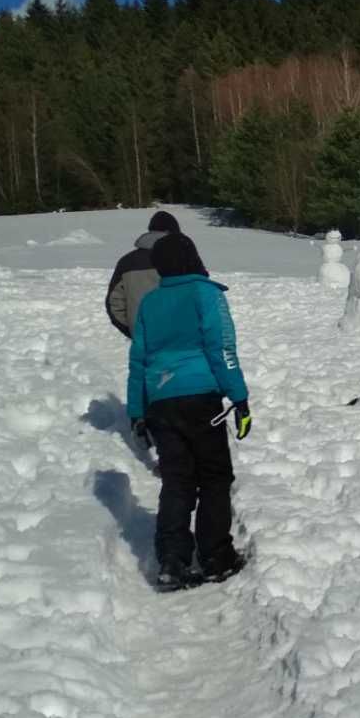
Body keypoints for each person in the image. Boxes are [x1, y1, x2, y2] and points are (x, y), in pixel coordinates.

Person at [127, 232, 253, 590]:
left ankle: (173, 560)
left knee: (177, 480)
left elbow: (138, 361)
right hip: (201, 398)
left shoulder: (150, 304)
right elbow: (222, 349)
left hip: (161, 403)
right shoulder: (207, 295)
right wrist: (239, 398)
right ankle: (215, 556)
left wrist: (137, 410)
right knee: (214, 477)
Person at [106, 210, 181, 337]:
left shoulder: (127, 261)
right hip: (181, 340)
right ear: (171, 232)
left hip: (143, 340)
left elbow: (114, 302)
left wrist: (132, 329)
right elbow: (202, 297)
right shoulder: (183, 258)